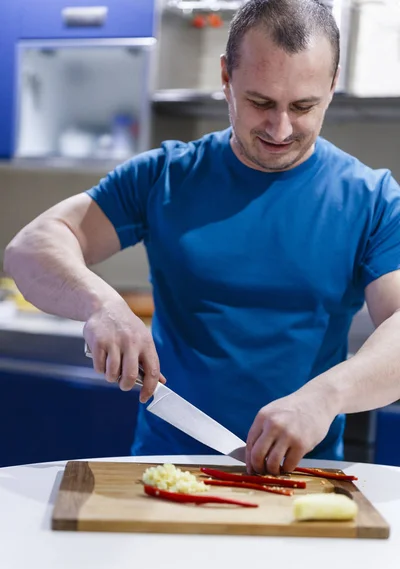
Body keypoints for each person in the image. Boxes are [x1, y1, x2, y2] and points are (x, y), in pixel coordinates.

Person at [5, 0, 400, 476]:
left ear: (331, 87)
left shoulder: (372, 198)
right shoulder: (166, 176)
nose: (280, 128)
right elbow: (31, 247)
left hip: (301, 479)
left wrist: (325, 395)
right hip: (167, 468)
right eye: (260, 102)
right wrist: (101, 306)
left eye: (303, 106)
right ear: (226, 78)